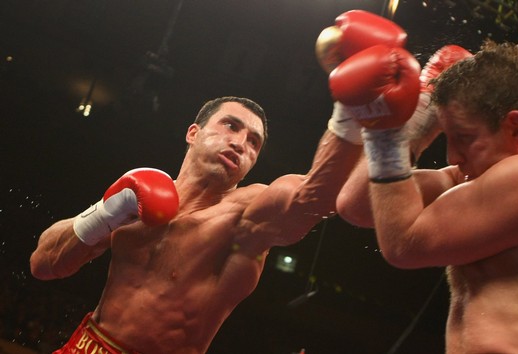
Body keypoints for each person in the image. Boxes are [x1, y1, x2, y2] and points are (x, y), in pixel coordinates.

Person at [29, 10, 420, 354]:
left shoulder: (244, 214)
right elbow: (44, 265)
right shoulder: (137, 196)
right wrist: (108, 211)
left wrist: (351, 114)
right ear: (193, 132)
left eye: (254, 143)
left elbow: (310, 199)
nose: (240, 143)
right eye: (230, 126)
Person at [336, 40, 518, 353]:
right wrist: (416, 118)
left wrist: (387, 132)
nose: (453, 156)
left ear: (516, 128)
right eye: (448, 138)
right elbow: (357, 205)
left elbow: (402, 244)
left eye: (465, 138)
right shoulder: (479, 178)